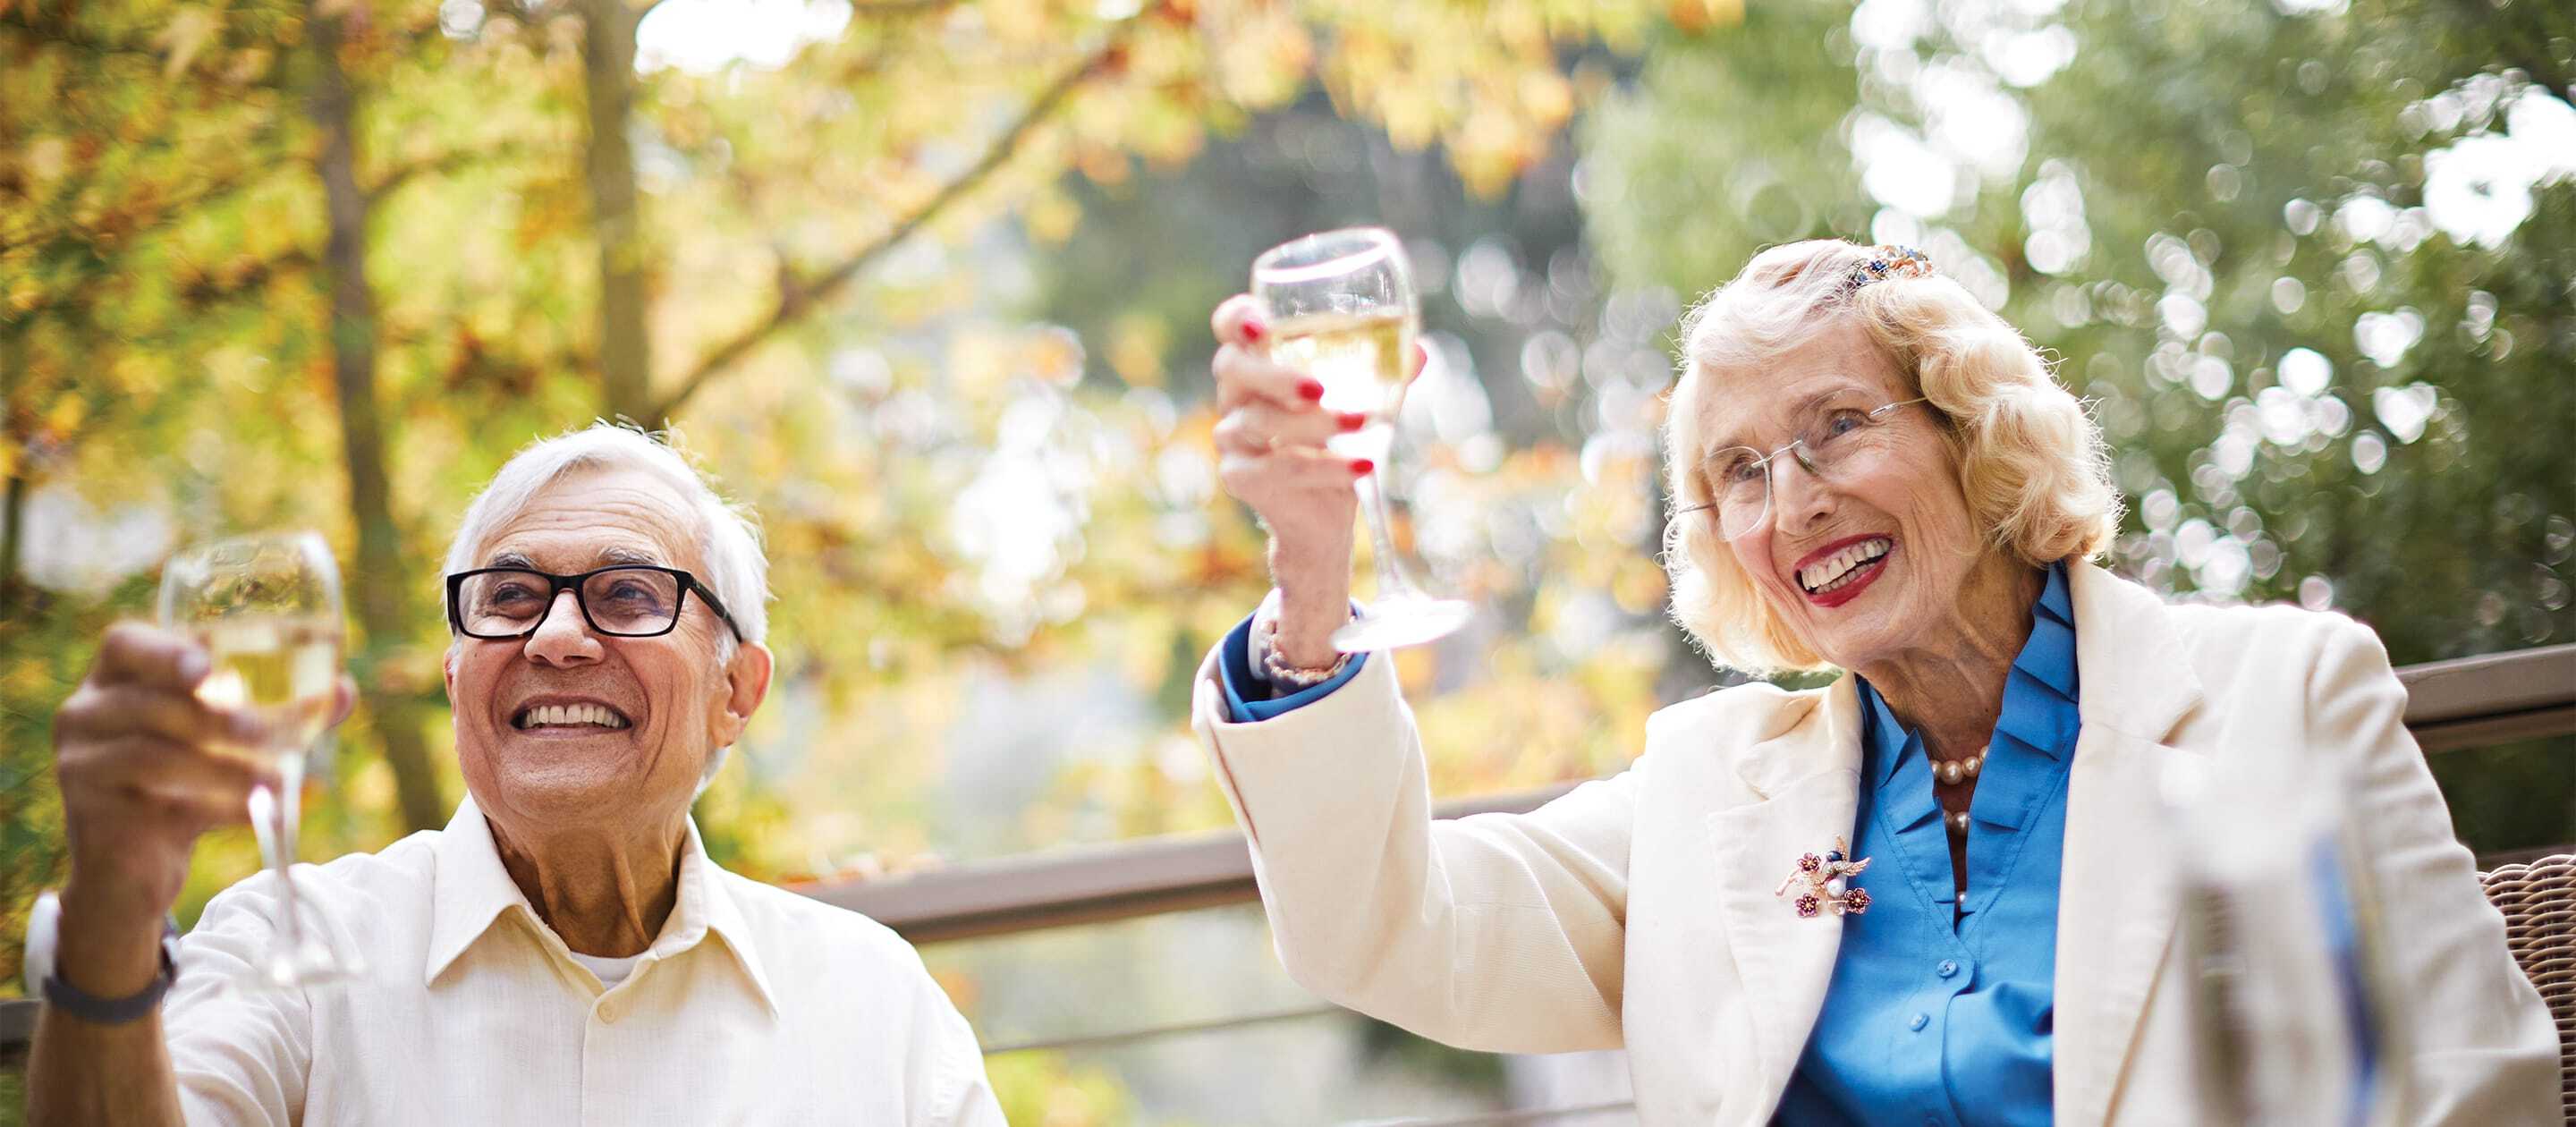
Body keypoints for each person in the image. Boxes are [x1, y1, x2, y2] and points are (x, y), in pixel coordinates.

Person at [1190, 240, 2556, 1123]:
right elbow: (1389, 927)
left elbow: (2469, 1091)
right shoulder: (1706, 793)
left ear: (1977, 437)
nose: (1790, 505)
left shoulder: (2282, 697)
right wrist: (1316, 583)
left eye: (1836, 427)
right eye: (1740, 472)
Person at [29, 424, 1003, 1125]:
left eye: (628, 592)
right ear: (458, 678)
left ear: (736, 693)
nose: (558, 635)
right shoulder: (297, 949)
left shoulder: (875, 1002)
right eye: (509, 596)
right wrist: (113, 905)